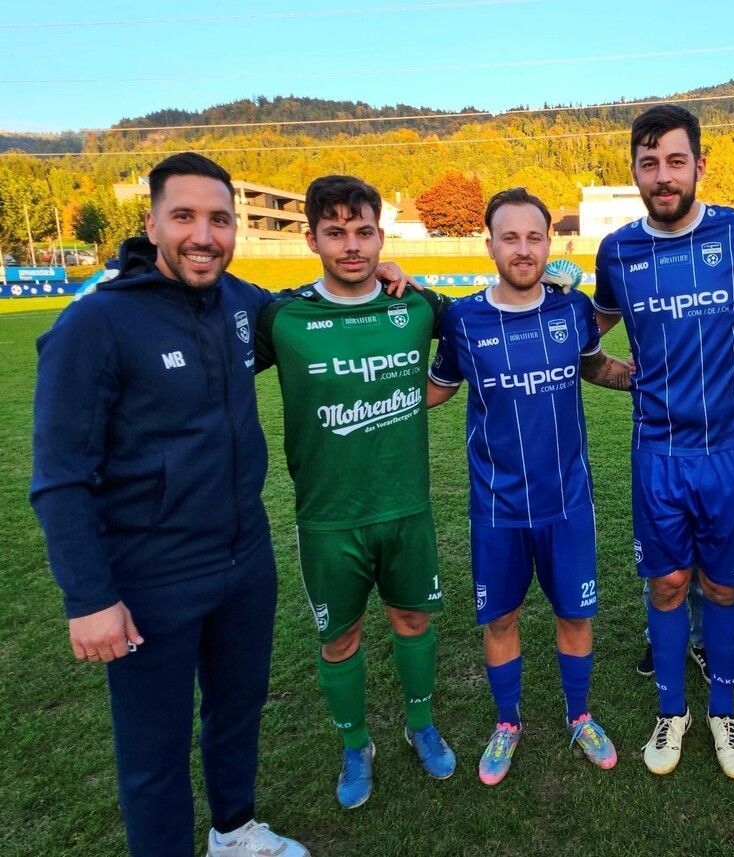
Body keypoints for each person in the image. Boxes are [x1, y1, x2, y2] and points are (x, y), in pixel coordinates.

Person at [30, 153, 308, 857]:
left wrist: (384, 277)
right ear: (152, 223)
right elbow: (60, 477)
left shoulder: (241, 303)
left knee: (237, 709)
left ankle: (234, 831)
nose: (203, 235)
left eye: (219, 219)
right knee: (153, 752)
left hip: (245, 560)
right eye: (184, 216)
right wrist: (89, 596)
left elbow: (306, 314)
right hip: (151, 577)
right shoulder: (94, 325)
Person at [254, 175, 457, 809]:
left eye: (363, 231)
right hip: (327, 519)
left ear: (380, 237)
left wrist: (418, 290)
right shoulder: (283, 318)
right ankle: (356, 743)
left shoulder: (416, 307)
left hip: (406, 507)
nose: (351, 245)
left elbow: (477, 328)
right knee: (338, 639)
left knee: (412, 618)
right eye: (336, 232)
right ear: (311, 238)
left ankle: (420, 725)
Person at [427, 188, 632, 785]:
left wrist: (654, 381)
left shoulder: (573, 310)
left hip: (568, 502)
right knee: (501, 619)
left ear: (551, 243)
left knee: (576, 615)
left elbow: (593, 364)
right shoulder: (462, 320)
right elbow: (438, 387)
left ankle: (580, 714)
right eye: (510, 237)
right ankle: (508, 722)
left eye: (534, 237)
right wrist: (381, 400)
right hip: (496, 507)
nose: (523, 249)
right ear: (489, 243)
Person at [593, 104, 734, 779]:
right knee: (667, 584)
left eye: (674, 161)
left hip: (729, 450)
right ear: (634, 171)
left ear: (700, 164)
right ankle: (673, 710)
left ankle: (723, 709)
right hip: (658, 454)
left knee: (723, 588)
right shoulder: (618, 251)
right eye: (648, 163)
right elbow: (588, 338)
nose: (662, 176)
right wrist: (619, 376)